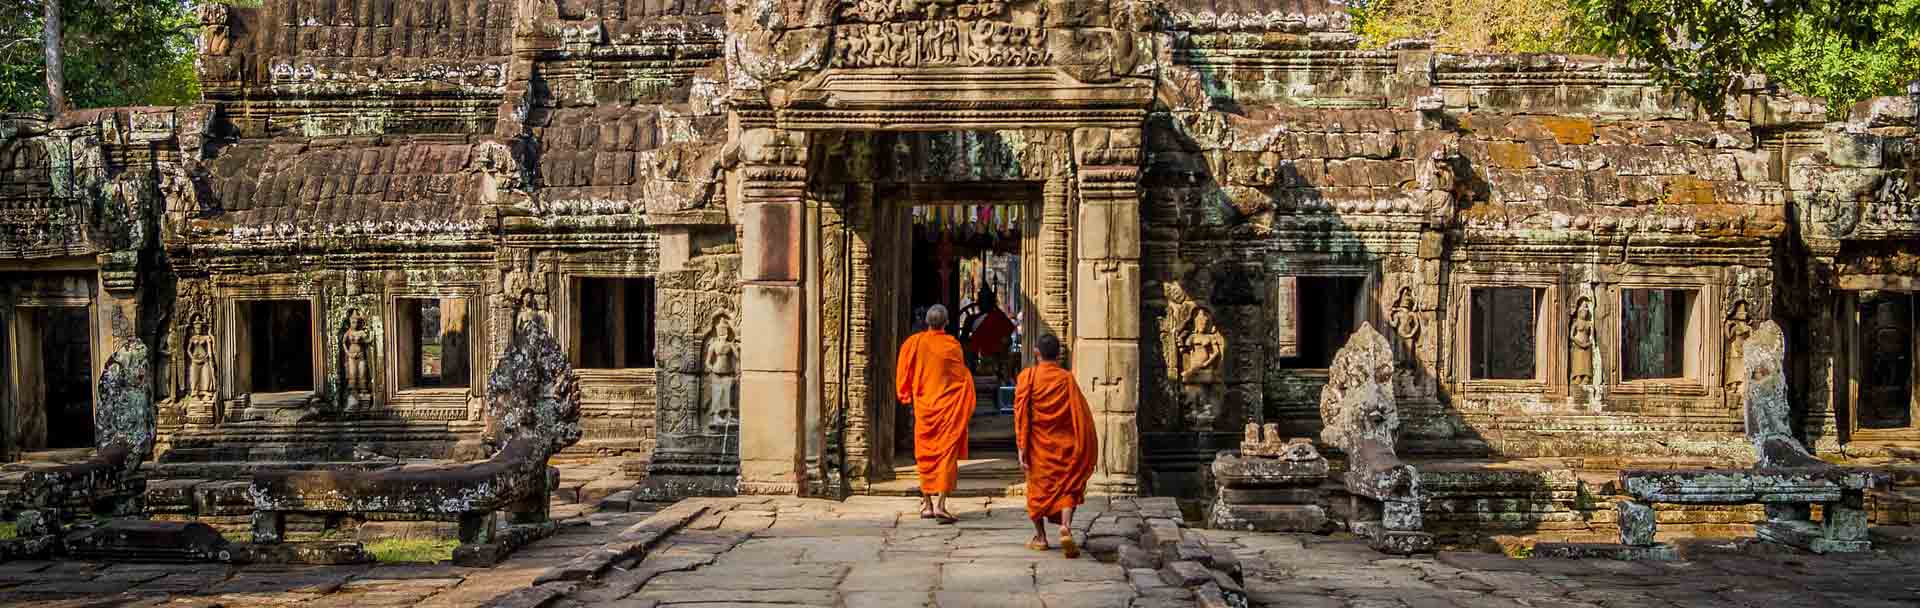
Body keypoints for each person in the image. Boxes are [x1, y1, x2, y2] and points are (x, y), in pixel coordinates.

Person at [1014, 334, 1098, 558]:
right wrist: (1084, 441)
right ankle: (1066, 528)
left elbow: (1021, 415)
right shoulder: (1066, 379)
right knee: (1067, 486)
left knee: (1037, 491)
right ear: (1059, 354)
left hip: (1038, 445)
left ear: (1036, 353)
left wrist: (1022, 446)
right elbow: (1080, 414)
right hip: (1065, 444)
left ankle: (1041, 538)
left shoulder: (1028, 377)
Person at [895, 305, 973, 524]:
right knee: (946, 456)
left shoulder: (913, 344)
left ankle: (927, 504)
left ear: (926, 322)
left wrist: (905, 394)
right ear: (946, 323)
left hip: (924, 409)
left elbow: (903, 373)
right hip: (947, 410)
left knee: (925, 456)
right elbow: (961, 377)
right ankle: (940, 504)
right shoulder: (952, 346)